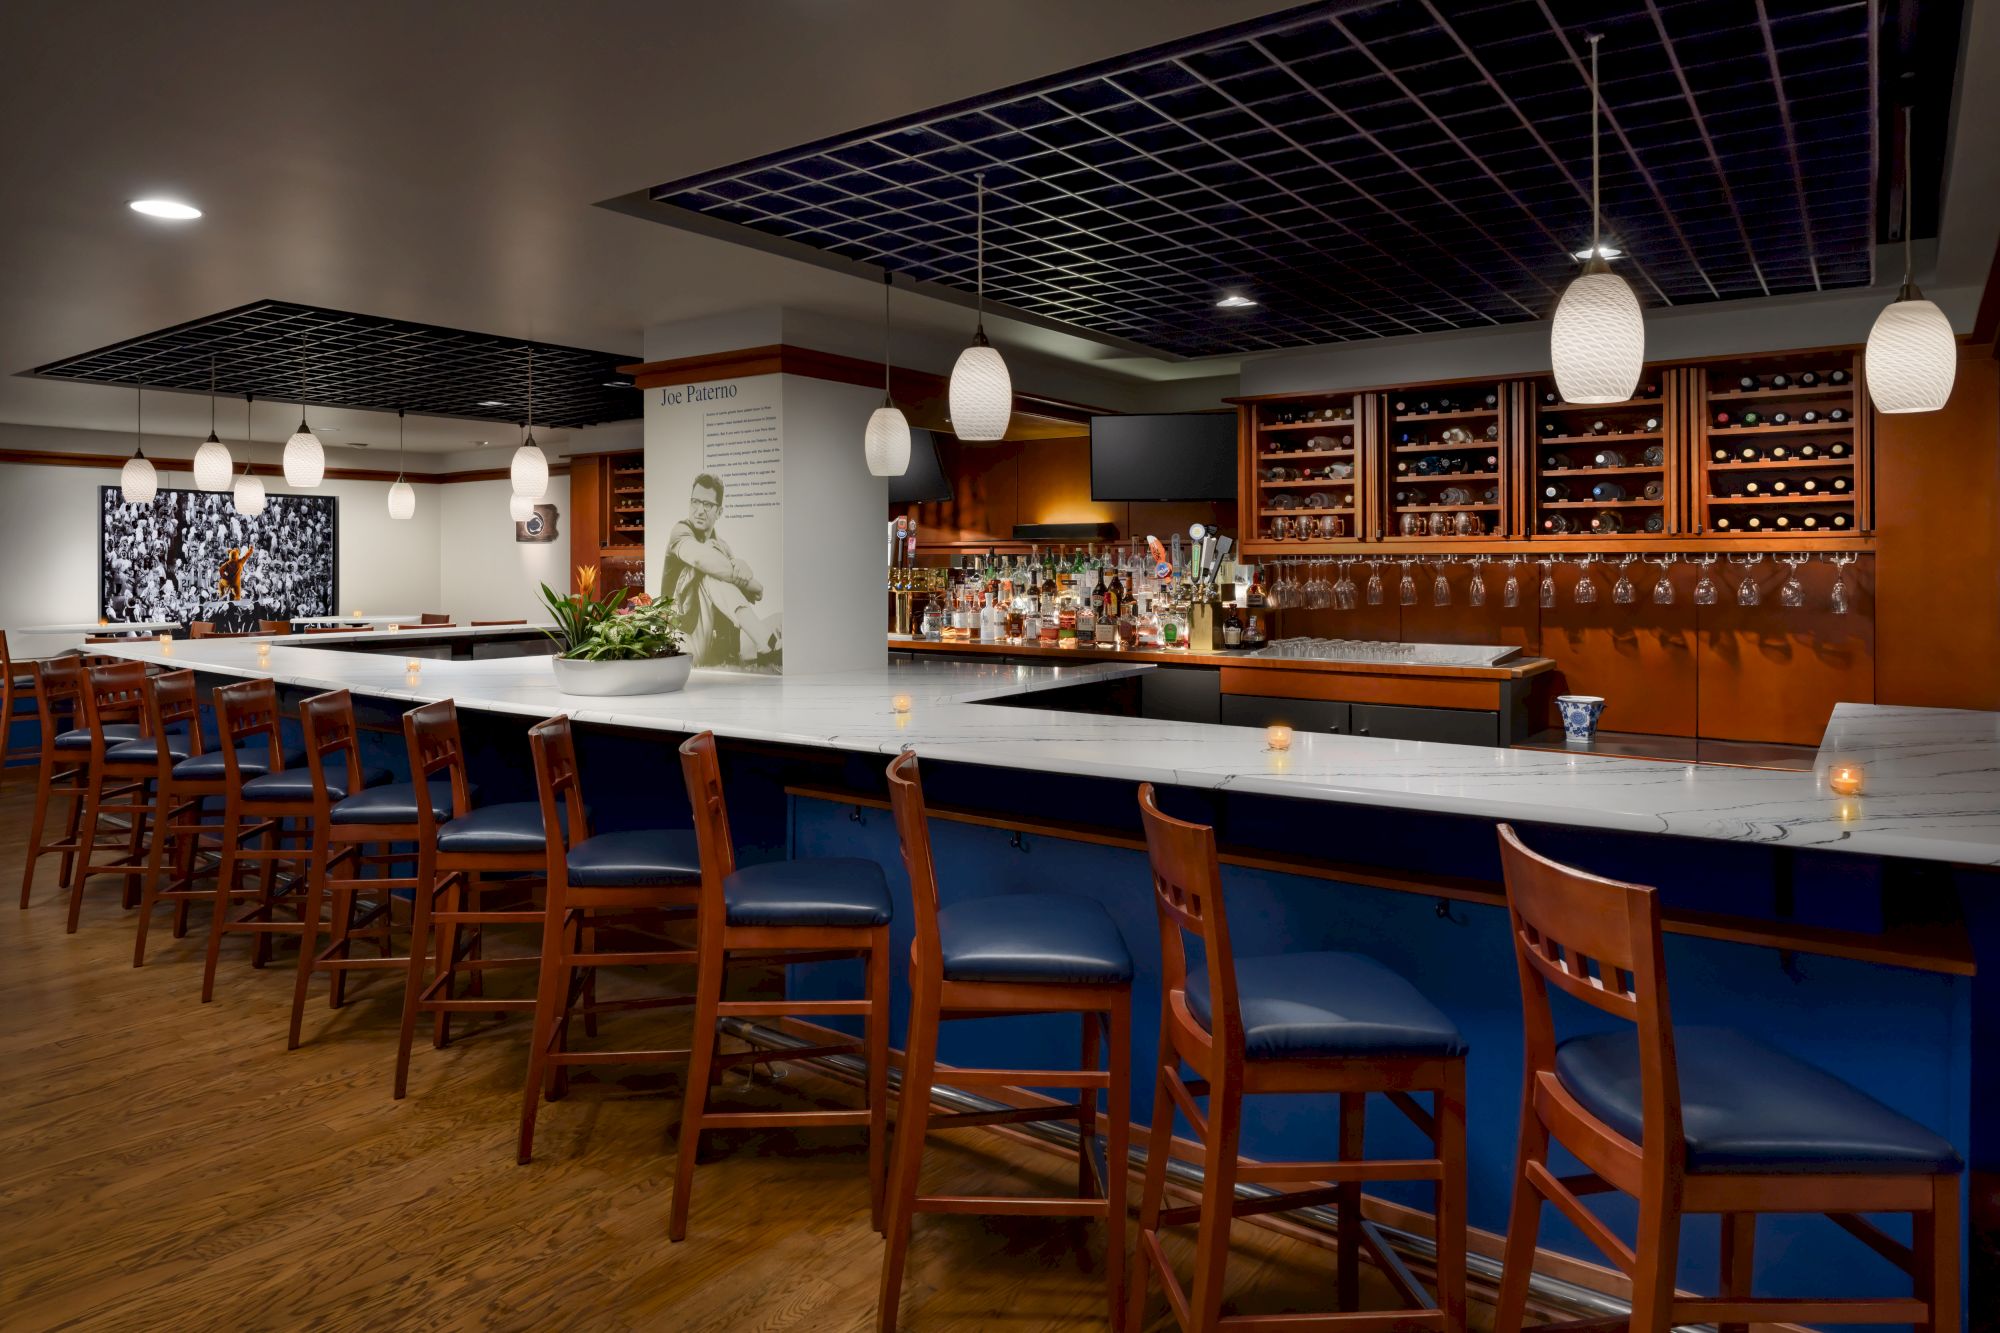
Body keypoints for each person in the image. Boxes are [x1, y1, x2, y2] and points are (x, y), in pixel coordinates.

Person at [660, 473, 780, 667]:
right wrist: (753, 582)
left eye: (707, 505)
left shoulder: (722, 546)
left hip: (714, 644)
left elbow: (749, 596)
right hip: (680, 638)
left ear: (719, 511)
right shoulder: (680, 531)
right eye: (695, 502)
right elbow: (700, 559)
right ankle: (766, 644)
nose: (699, 510)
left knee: (779, 619)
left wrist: (740, 563)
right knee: (710, 573)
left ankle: (763, 645)